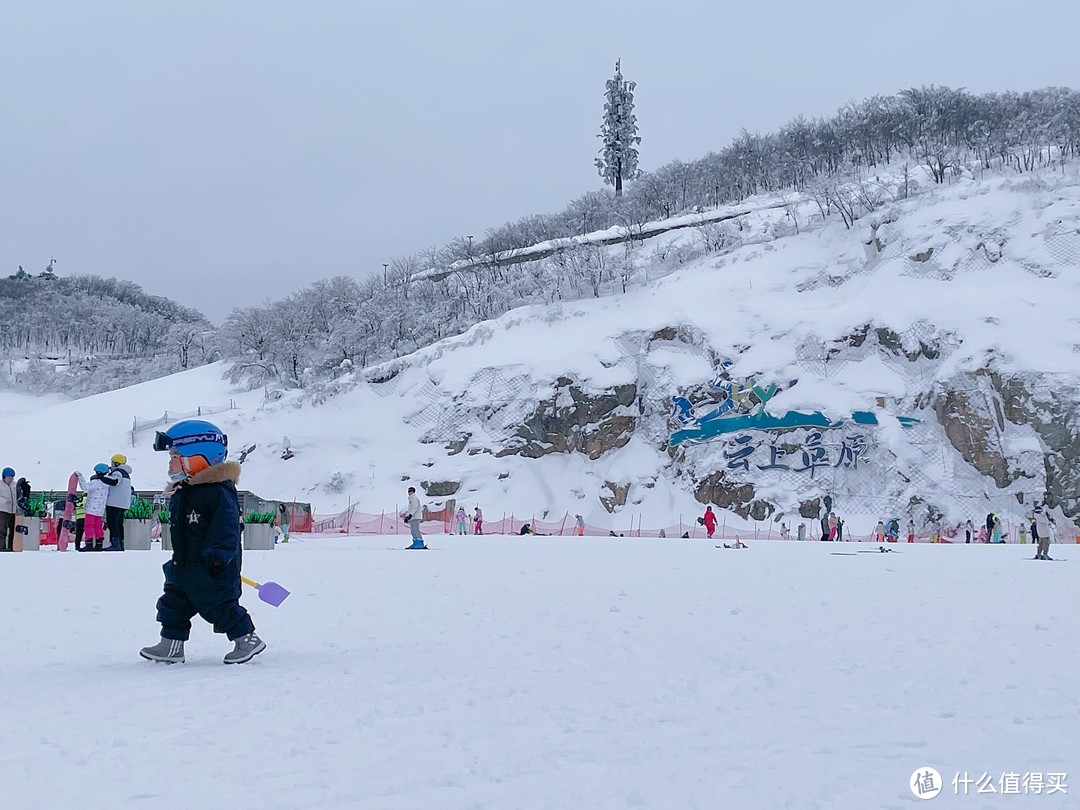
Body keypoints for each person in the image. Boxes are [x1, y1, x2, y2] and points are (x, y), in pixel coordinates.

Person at [141, 419, 265, 665]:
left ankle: (247, 639)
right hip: (184, 564)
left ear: (198, 456)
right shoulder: (183, 492)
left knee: (219, 606)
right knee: (173, 604)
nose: (170, 462)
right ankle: (171, 646)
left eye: (175, 456)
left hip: (213, 567)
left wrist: (218, 556)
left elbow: (227, 528)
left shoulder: (217, 492)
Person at [77, 464, 112, 552]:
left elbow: (84, 487)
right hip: (100, 510)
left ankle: (89, 543)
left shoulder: (96, 482)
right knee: (98, 527)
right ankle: (99, 544)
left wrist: (80, 477)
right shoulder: (107, 483)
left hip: (91, 508)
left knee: (89, 525)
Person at [103, 453, 133, 551]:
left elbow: (114, 481)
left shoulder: (118, 472)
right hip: (123, 503)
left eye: (112, 463)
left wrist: (101, 477)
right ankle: (120, 543)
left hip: (114, 502)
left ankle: (115, 544)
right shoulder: (126, 474)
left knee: (112, 523)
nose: (110, 465)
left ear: (116, 463)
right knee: (119, 524)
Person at [0, 468, 17, 552]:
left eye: (12, 478)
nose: (11, 479)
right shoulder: (0, 485)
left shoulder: (14, 485)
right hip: (2, 510)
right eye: (9, 478)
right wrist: (4, 501)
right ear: (4, 477)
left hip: (13, 511)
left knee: (13, 529)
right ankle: (1, 546)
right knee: (2, 529)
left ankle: (12, 546)